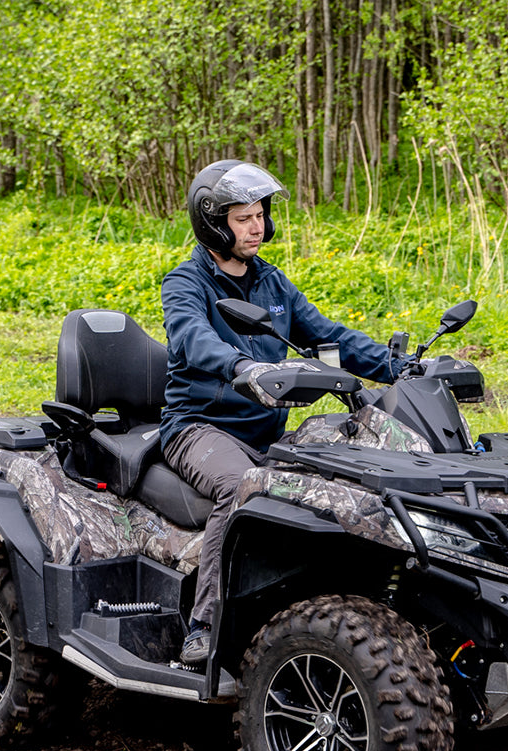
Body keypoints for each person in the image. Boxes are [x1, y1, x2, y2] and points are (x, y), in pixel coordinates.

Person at [160, 159, 404, 664]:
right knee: (241, 486)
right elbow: (193, 338)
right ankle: (203, 623)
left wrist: (400, 366)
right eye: (242, 218)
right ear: (213, 222)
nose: (256, 227)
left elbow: (327, 337)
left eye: (259, 216)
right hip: (198, 427)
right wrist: (243, 367)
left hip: (265, 432)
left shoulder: (273, 284)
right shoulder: (185, 283)